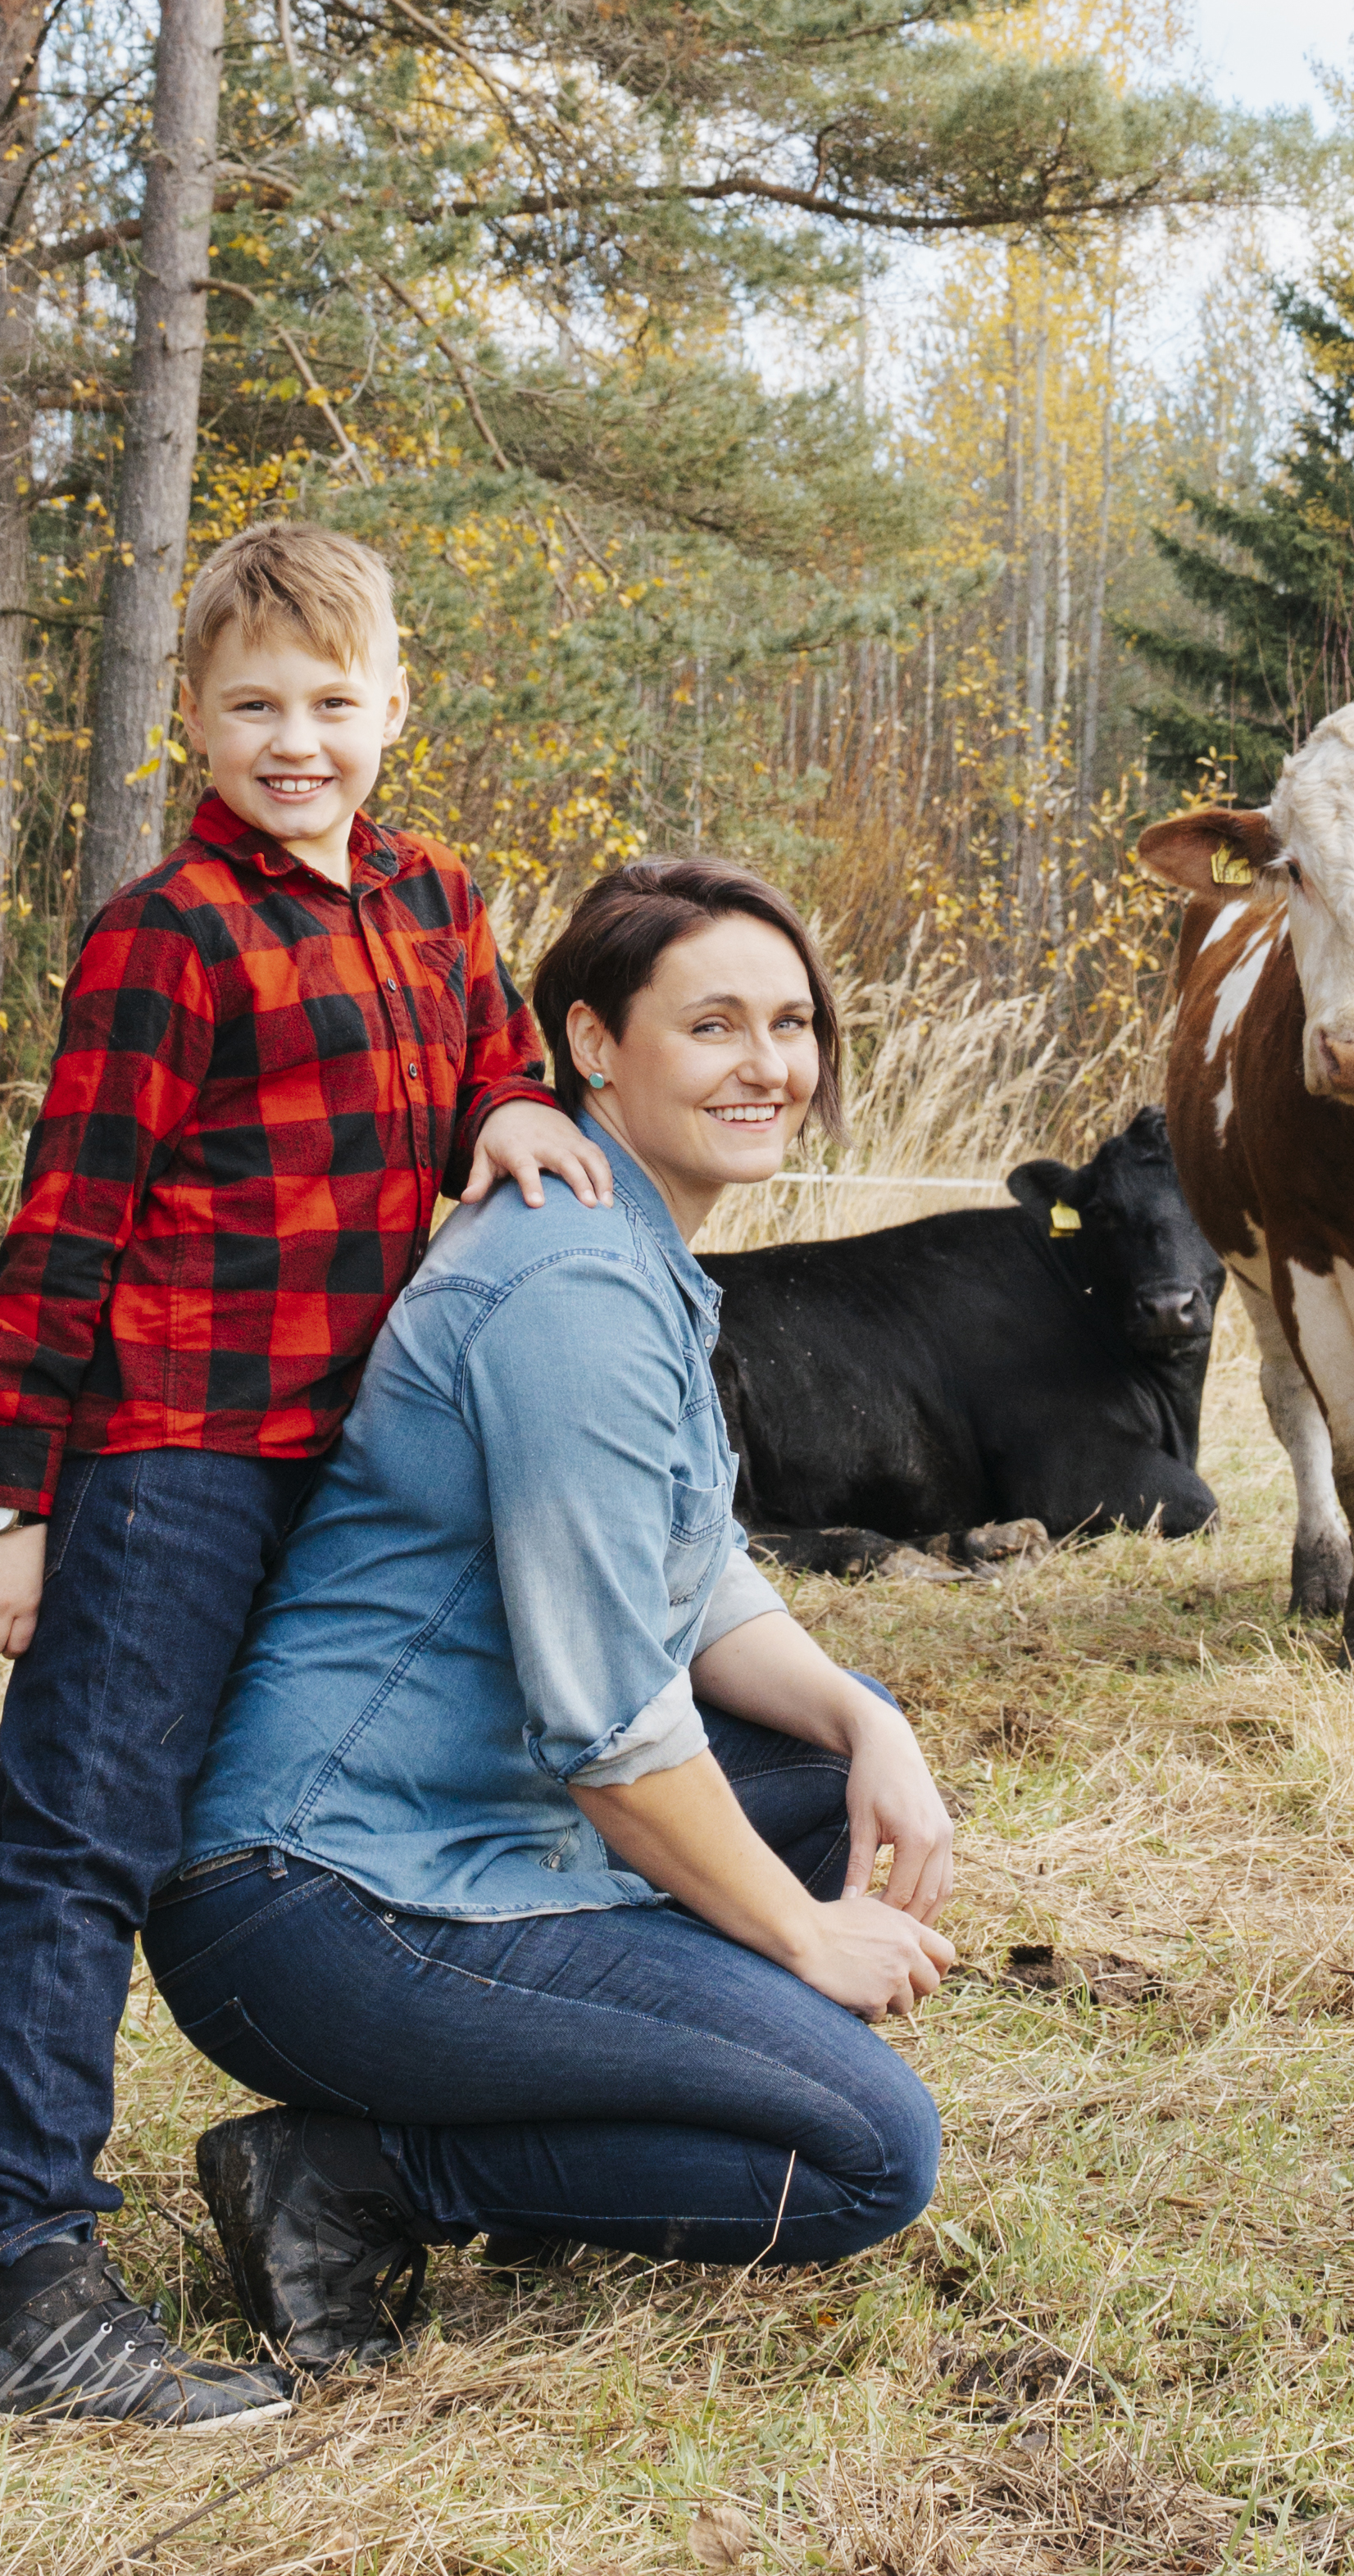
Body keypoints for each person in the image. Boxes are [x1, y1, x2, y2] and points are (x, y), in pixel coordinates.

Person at [0, 522, 612, 2431]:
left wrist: (506, 1099)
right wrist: (7, 1503)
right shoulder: (169, 931)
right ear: (191, 718)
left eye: (335, 703)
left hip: (339, 1457)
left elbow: (495, 1059)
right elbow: (62, 1230)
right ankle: (23, 2282)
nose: (297, 739)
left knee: (28, 1822)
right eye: (255, 705)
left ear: (396, 706)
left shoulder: (431, 896)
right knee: (87, 1846)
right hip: (170, 1452)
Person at [143, 859, 957, 2376]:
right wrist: (796, 1937)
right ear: (592, 1043)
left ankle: (566, 2090)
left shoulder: (636, 1251)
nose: (767, 1065)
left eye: (790, 1023)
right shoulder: (570, 1286)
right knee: (862, 2150)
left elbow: (694, 1574)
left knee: (819, 1786)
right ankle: (358, 2172)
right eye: (712, 1024)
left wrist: (867, 1715)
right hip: (327, 1898)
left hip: (460, 1822)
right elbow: (610, 1726)